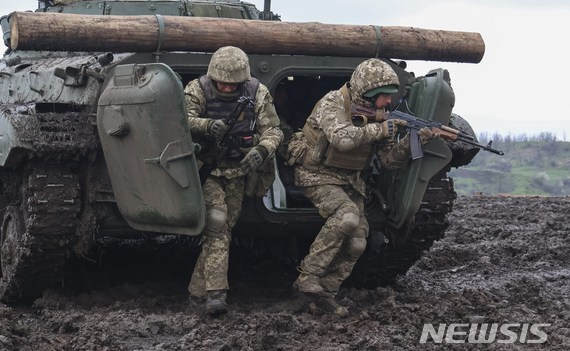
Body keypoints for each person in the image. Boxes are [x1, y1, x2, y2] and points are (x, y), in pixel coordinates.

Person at [287, 58, 436, 317]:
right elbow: (341, 139)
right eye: (384, 97)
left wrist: (417, 140)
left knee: (357, 241)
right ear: (368, 93)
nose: (389, 102)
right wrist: (379, 130)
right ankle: (307, 275)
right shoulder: (333, 102)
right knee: (347, 216)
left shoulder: (379, 117)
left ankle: (324, 296)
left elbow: (388, 160)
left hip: (349, 180)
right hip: (315, 174)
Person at [185, 46, 284, 315]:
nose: (228, 90)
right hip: (206, 169)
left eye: (234, 86)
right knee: (216, 222)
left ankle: (195, 293)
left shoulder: (256, 92)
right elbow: (181, 120)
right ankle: (216, 294)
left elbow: (274, 131)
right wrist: (206, 126)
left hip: (238, 171)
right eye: (222, 85)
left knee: (223, 231)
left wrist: (262, 150)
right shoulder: (197, 89)